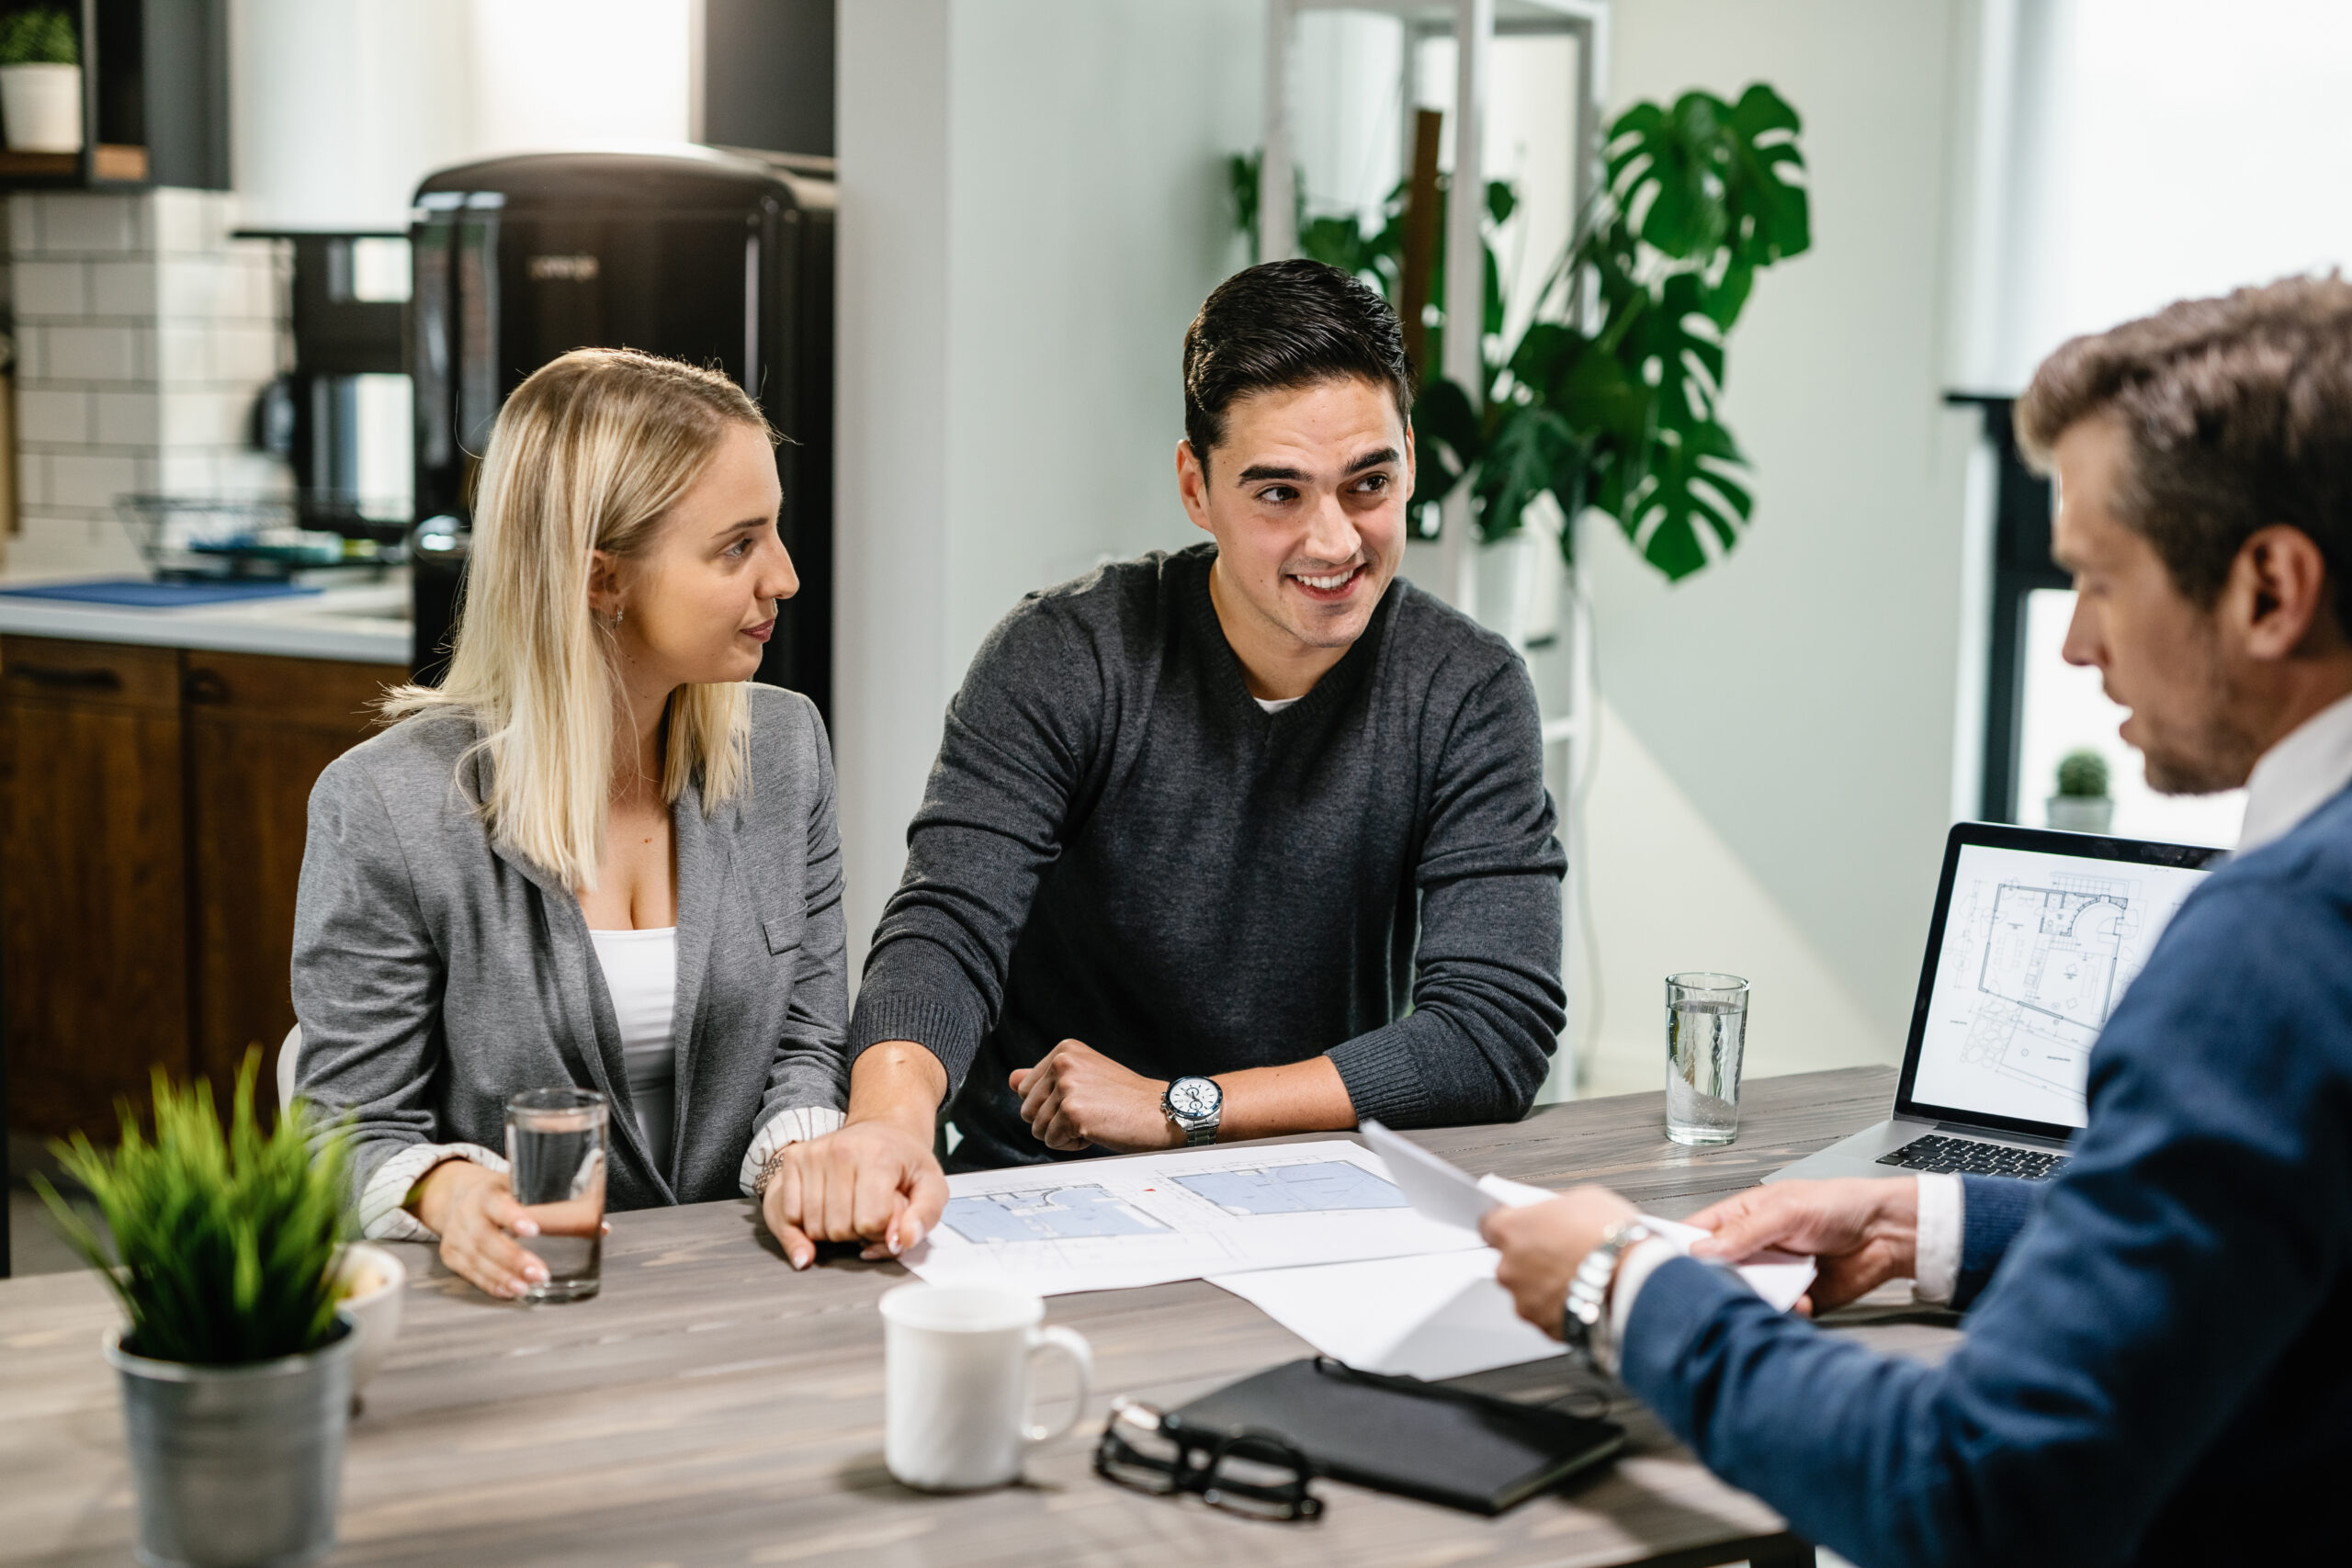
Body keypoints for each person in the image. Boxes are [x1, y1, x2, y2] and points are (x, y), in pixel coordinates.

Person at [1483, 276, 2352, 1567]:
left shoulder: (2276, 946)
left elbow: (1974, 1490)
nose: (2073, 647)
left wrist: (1626, 1285)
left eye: (2098, 581)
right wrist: (1923, 1222)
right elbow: (2282, 1241)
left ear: (2270, 587)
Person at [759, 259, 1567, 1268]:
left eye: (1369, 483)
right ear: (1196, 486)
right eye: (1278, 492)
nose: (1334, 540)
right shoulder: (1066, 656)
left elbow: (1491, 1031)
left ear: (1409, 459)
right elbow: (947, 925)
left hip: (1316, 1199)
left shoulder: (1466, 688)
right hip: (1044, 1194)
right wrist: (885, 1119)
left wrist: (1180, 1109)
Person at [293, 348, 850, 1300]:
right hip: (518, 1305)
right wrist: (448, 1191)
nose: (785, 578)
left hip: (757, 1291)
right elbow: (345, 1132)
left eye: (777, 534)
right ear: (601, 581)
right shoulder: (383, 807)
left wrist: (805, 1159)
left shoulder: (785, 748)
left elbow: (808, 1043)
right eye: (737, 546)